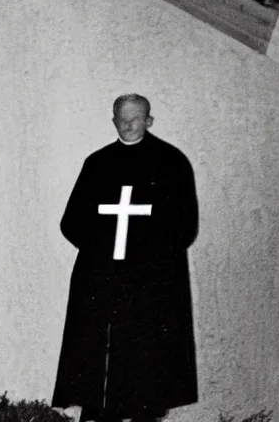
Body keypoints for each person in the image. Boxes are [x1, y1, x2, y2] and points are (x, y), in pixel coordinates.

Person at [52, 94, 199, 422]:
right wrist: (103, 251)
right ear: (113, 120)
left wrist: (146, 256)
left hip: (151, 279)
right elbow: (72, 221)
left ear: (149, 120)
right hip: (102, 275)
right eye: (123, 118)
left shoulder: (171, 163)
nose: (130, 124)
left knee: (146, 355)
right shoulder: (97, 163)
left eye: (137, 118)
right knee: (98, 356)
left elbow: (185, 225)